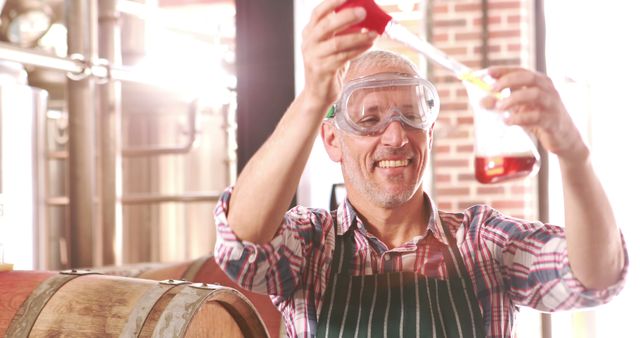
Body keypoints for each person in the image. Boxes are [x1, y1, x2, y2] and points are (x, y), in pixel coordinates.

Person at [214, 0, 628, 337]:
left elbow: (595, 277)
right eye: (370, 118)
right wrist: (312, 97)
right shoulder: (309, 245)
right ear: (333, 140)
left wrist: (575, 155)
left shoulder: (484, 243)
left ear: (430, 135)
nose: (396, 136)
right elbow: (240, 246)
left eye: (412, 114)